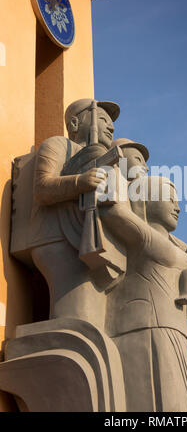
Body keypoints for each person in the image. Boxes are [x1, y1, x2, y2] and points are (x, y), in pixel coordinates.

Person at [99, 176, 187, 411]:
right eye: (170, 199)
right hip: (146, 328)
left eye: (177, 200)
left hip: (177, 332)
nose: (178, 207)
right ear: (146, 199)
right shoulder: (145, 236)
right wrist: (112, 173)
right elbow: (114, 212)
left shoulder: (177, 248)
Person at [30, 98, 120, 328]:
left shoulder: (106, 159)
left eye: (112, 124)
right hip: (58, 239)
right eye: (102, 120)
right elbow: (42, 189)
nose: (110, 127)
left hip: (87, 238)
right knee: (78, 309)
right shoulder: (58, 145)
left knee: (98, 310)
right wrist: (81, 181)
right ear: (74, 123)